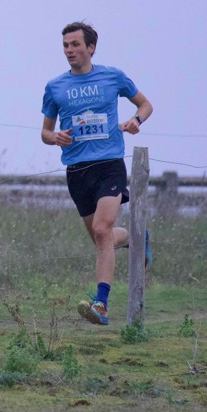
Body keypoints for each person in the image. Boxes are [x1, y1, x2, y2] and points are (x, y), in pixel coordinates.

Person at [40, 22, 153, 326]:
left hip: (109, 165)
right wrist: (55, 137)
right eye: (65, 45)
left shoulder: (112, 77)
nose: (69, 50)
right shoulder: (55, 87)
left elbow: (145, 105)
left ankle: (100, 304)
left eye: (75, 44)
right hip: (77, 171)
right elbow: (45, 132)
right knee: (102, 239)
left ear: (90, 47)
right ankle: (136, 236)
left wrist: (135, 120)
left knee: (103, 230)